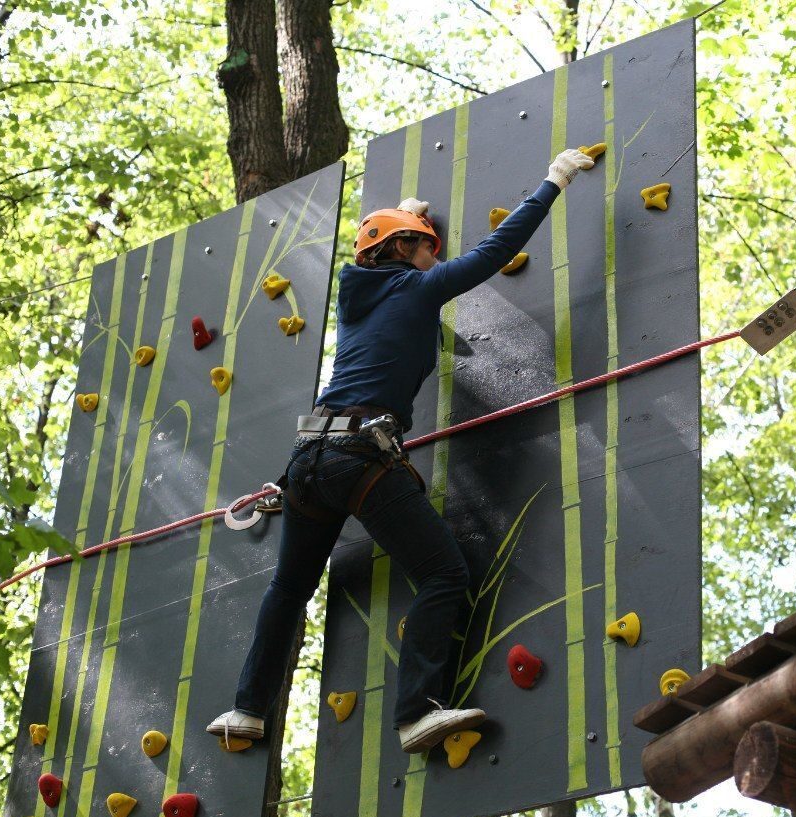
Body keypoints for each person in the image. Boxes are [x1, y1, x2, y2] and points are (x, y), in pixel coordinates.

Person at [207, 147, 595, 754]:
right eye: (426, 246)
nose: (433, 256)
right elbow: (494, 253)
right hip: (361, 456)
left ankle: (246, 711)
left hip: (308, 458)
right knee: (444, 573)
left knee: (288, 588)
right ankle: (417, 712)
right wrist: (553, 180)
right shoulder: (419, 290)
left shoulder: (352, 297)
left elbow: (383, 251)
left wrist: (407, 217)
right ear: (403, 252)